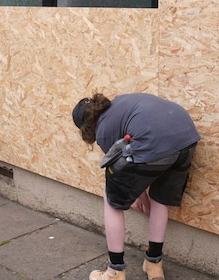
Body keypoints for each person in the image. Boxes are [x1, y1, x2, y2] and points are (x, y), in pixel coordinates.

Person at [72, 93, 200, 280]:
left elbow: (124, 171)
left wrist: (138, 195)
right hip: (186, 139)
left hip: (158, 142)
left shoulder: (103, 131)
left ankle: (115, 271)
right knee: (160, 198)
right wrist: (140, 193)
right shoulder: (121, 102)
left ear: (86, 127)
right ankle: (154, 265)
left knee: (112, 200)